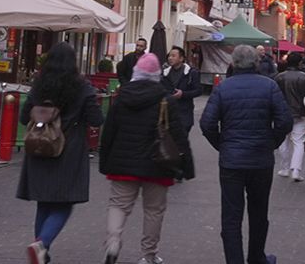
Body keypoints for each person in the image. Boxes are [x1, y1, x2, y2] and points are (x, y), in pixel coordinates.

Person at [201, 43, 292, 264]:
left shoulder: (223, 88)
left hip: (232, 161)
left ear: (232, 63)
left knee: (231, 217)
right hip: (260, 160)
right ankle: (256, 257)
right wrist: (271, 142)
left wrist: (223, 145)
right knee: (259, 213)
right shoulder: (269, 86)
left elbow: (207, 123)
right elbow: (285, 121)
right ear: (257, 63)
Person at [18, 42, 102, 264]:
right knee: (64, 203)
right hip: (69, 150)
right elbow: (96, 119)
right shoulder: (82, 87)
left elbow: (24, 117)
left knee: (43, 202)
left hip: (39, 147)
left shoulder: (39, 85)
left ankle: (41, 253)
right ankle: (41, 244)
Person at [99, 53, 185, 264]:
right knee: (154, 210)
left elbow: (109, 131)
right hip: (158, 163)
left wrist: (105, 160)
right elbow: (178, 136)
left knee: (118, 204)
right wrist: (185, 166)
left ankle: (113, 242)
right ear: (157, 75)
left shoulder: (122, 97)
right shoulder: (165, 100)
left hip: (123, 162)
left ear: (136, 72)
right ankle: (148, 254)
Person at [159, 46, 202, 180]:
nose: (170, 58)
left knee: (181, 140)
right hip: (168, 112)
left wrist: (183, 94)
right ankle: (172, 166)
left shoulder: (191, 73)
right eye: (169, 56)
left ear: (181, 58)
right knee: (169, 139)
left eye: (174, 55)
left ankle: (179, 168)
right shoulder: (164, 73)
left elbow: (198, 90)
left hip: (184, 111)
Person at [272, 53, 305, 181]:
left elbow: (274, 96)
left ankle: (284, 168)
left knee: (283, 140)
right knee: (298, 141)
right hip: (301, 112)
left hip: (282, 113)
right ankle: (296, 170)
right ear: (299, 63)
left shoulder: (279, 77)